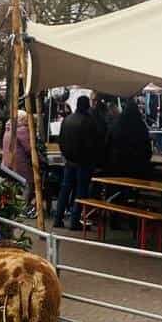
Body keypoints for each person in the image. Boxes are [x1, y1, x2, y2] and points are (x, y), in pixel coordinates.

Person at [54, 95, 105, 230]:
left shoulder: (67, 120)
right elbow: (93, 144)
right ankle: (74, 221)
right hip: (84, 163)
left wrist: (66, 155)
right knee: (80, 192)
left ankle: (58, 218)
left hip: (69, 161)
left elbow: (61, 140)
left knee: (65, 190)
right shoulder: (89, 122)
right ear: (87, 105)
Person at [107, 96, 153, 177]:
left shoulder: (117, 124)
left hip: (119, 162)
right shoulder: (140, 126)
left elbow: (109, 141)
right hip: (138, 164)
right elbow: (147, 145)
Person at [0, 110, 34, 204]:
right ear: (21, 119)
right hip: (19, 162)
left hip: (7, 161)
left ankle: (11, 204)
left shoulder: (8, 128)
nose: (27, 121)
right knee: (27, 184)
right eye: (25, 119)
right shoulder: (21, 130)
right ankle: (22, 206)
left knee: (11, 185)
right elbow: (29, 148)